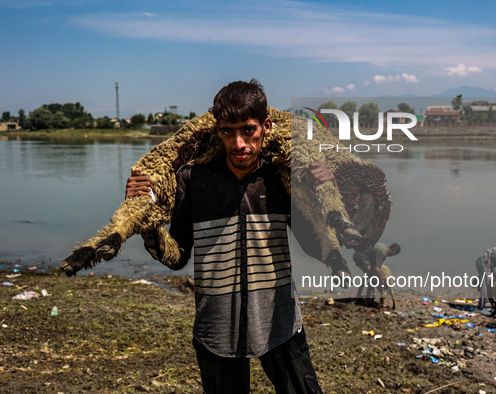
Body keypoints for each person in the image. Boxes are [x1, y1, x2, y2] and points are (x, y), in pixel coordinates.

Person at [126, 80, 323, 393]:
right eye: (228, 131)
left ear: (267, 127)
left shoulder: (282, 178)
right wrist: (147, 221)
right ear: (217, 130)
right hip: (216, 328)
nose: (239, 142)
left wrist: (314, 195)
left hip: (279, 321)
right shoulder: (191, 179)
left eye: (248, 130)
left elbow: (315, 248)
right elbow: (177, 258)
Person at [353, 242, 401, 307]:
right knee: (371, 276)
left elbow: (377, 266)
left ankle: (361, 296)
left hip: (366, 255)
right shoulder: (382, 253)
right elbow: (377, 268)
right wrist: (381, 281)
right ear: (393, 252)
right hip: (360, 256)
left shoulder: (384, 249)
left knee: (369, 276)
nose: (393, 255)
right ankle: (366, 299)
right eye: (394, 254)